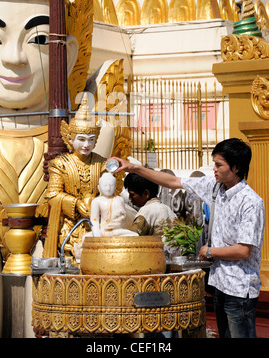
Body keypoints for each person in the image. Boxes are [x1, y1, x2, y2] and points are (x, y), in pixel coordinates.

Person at [113, 138, 265, 338]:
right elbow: (173, 181)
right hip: (220, 284)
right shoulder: (214, 187)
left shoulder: (251, 202)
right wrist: (134, 168)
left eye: (219, 165)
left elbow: (244, 250)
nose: (214, 169)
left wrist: (210, 251)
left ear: (236, 168)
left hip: (239, 290)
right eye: (214, 164)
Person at [43, 96, 107, 261]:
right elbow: (53, 195)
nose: (86, 144)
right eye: (81, 139)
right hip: (69, 227)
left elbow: (110, 193)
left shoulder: (101, 163)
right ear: (70, 138)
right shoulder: (60, 164)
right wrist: (76, 203)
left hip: (98, 226)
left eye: (91, 140)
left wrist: (97, 204)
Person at [123, 172, 176, 237]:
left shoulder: (145, 212)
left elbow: (133, 239)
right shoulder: (168, 210)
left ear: (146, 193)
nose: (130, 198)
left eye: (132, 195)